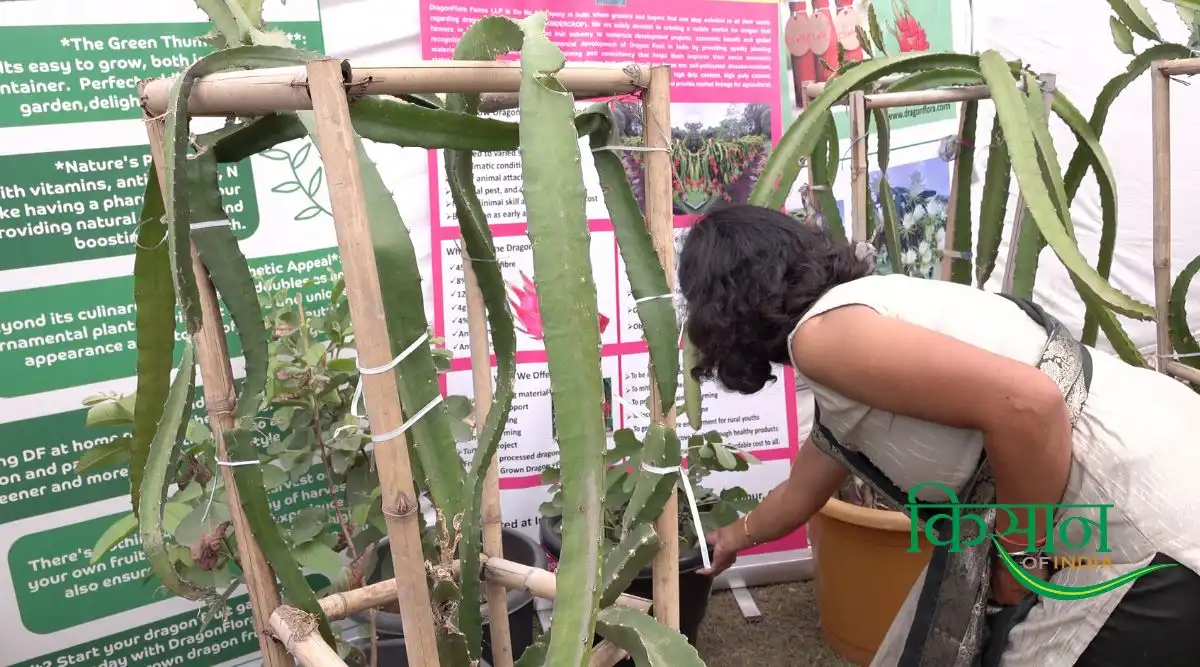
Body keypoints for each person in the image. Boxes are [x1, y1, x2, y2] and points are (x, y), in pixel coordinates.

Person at [682, 204, 1200, 667]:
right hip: (1159, 460)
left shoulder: (824, 338)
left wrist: (1017, 565)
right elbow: (805, 486)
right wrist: (731, 539)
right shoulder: (858, 316)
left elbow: (1029, 406)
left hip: (1141, 516)